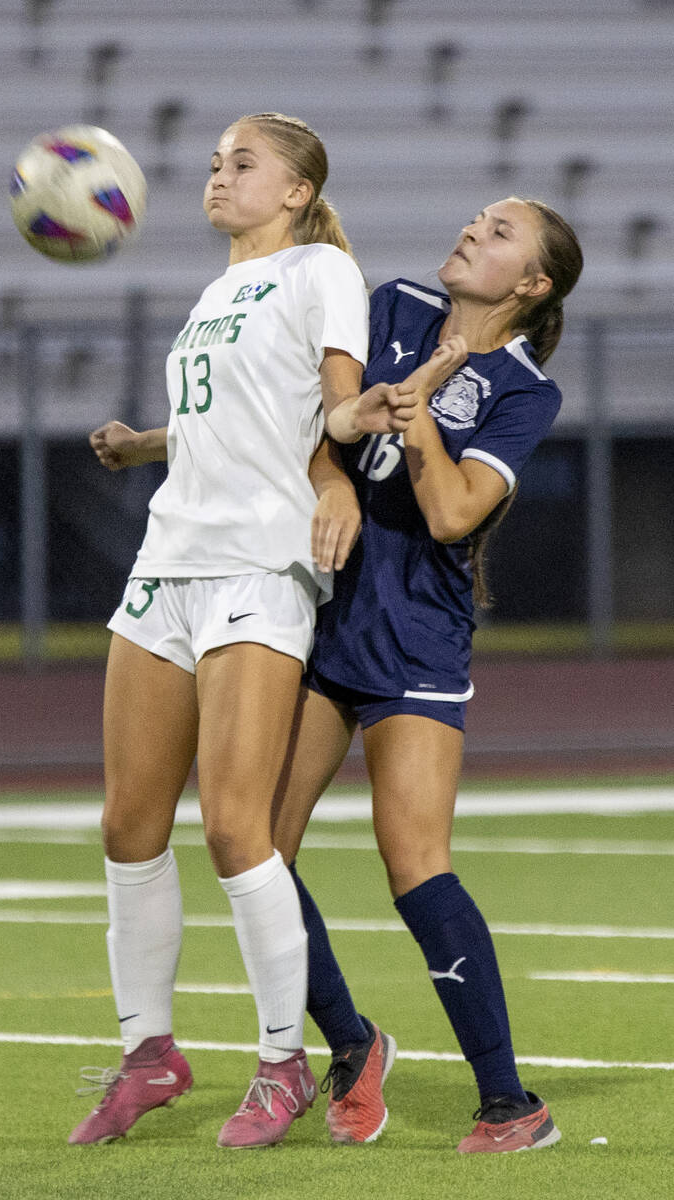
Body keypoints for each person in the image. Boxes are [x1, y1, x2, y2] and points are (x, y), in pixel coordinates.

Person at [68, 111, 464, 1151]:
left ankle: (286, 1061)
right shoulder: (212, 293)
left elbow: (328, 411)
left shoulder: (318, 269)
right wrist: (149, 444)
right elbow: (238, 422)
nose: (217, 176)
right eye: (213, 163)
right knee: (126, 826)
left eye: (241, 164)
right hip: (166, 564)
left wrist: (360, 421)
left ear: (294, 191)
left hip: (259, 567)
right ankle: (149, 1053)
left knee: (240, 831)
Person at [270, 196, 584, 1153]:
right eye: (474, 220)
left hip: (414, 639)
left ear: (529, 286)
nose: (467, 233)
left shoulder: (523, 389)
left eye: (496, 235)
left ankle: (509, 1104)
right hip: (319, 617)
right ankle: (352, 1045)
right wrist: (331, 480)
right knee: (254, 852)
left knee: (415, 868)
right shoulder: (393, 303)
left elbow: (451, 515)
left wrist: (421, 412)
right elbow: (318, 425)